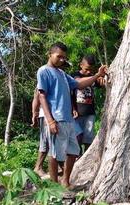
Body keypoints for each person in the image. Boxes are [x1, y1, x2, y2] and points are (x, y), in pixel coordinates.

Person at [37, 42, 107, 187]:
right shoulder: (43, 71)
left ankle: (66, 181)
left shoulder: (62, 74)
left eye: (64, 58)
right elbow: (42, 96)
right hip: (56, 118)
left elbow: (80, 84)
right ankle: (54, 186)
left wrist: (97, 75)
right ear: (50, 55)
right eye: (59, 57)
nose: (62, 60)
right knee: (55, 153)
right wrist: (50, 121)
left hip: (69, 119)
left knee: (73, 151)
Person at [72, 55, 105, 154]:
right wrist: (73, 108)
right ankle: (77, 157)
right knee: (77, 136)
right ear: (81, 65)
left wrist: (103, 78)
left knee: (88, 137)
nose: (88, 72)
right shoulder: (75, 75)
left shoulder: (94, 76)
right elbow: (78, 83)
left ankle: (86, 155)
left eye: (91, 69)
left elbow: (102, 83)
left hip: (90, 112)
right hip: (77, 112)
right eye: (86, 69)